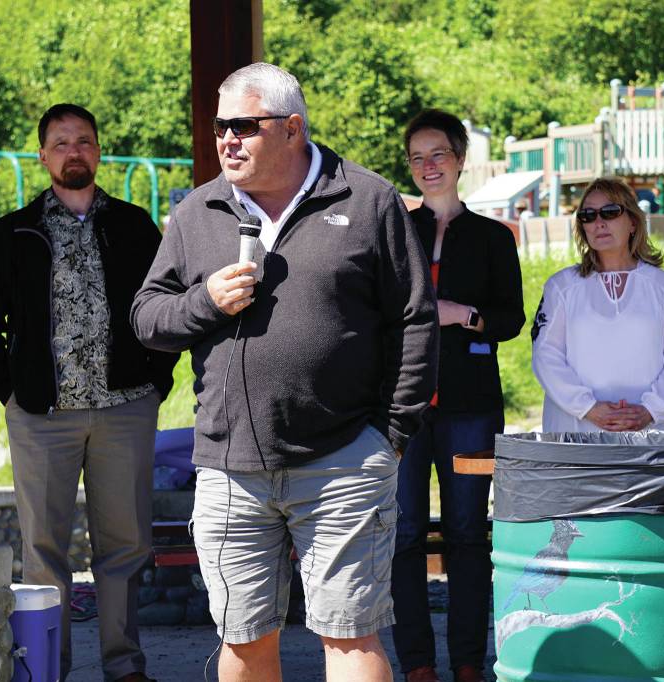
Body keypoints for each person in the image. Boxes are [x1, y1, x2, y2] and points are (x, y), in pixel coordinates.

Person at [129, 63, 438, 682]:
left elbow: (416, 320)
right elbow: (146, 317)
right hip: (230, 465)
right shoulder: (199, 211)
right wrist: (205, 302)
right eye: (220, 127)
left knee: (350, 636)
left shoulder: (369, 200)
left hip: (346, 460)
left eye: (243, 126)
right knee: (243, 642)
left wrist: (391, 436)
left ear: (292, 128)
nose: (226, 140)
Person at [0, 104, 177, 682]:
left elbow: (168, 308)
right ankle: (44, 667)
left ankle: (125, 666)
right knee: (43, 551)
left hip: (124, 408)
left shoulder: (133, 225)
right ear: (42, 157)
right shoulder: (15, 231)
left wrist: (157, 381)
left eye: (83, 141)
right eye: (60, 143)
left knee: (125, 546)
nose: (73, 151)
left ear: (99, 150)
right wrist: (9, 389)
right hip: (42, 415)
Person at [391, 109, 524, 682]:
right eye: (417, 158)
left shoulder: (494, 236)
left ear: (461, 159)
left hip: (472, 409)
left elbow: (510, 319)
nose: (428, 167)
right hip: (404, 407)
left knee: (469, 532)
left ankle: (468, 660)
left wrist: (460, 315)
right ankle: (417, 663)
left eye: (438, 154)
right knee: (403, 533)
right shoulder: (395, 230)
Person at [531, 176, 664, 433]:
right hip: (577, 432)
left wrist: (650, 410)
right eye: (588, 215)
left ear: (632, 221)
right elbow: (546, 354)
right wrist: (588, 408)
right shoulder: (560, 287)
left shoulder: (662, 286)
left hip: (652, 433)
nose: (598, 223)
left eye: (610, 212)